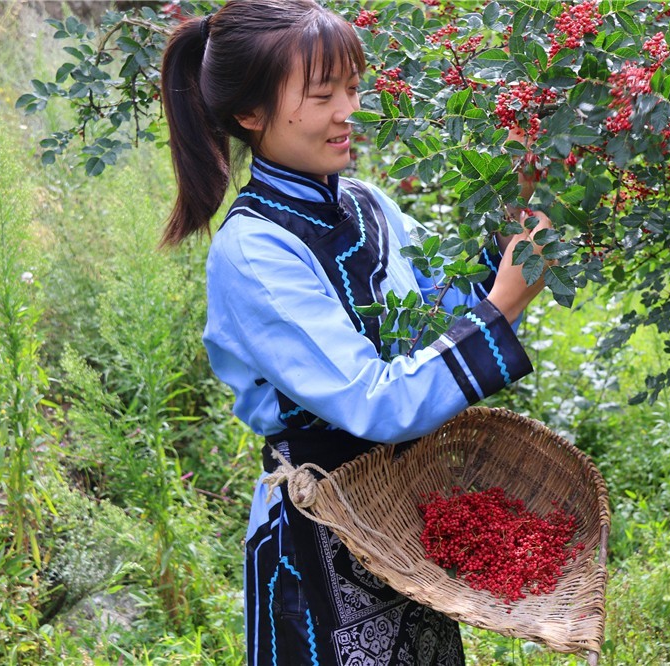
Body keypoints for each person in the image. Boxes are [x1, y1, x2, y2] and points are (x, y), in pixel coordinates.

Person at [159, 1, 550, 664]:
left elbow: (445, 307)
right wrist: (503, 308)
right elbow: (374, 401)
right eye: (321, 95)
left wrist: (516, 218)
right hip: (319, 538)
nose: (350, 111)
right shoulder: (254, 250)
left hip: (405, 523)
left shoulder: (368, 204)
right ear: (249, 115)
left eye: (353, 88)